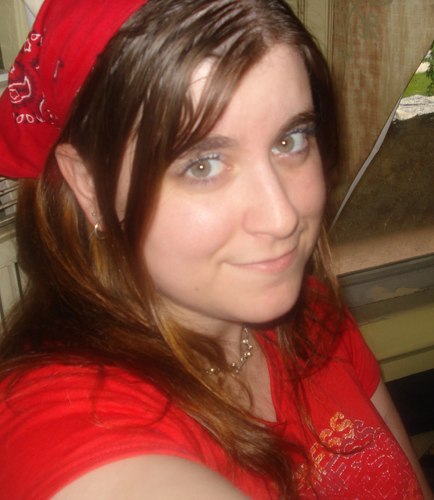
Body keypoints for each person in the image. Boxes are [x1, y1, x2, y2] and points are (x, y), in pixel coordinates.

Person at [0, 1, 431, 498]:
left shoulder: (315, 319)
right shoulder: (60, 416)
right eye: (202, 165)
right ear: (89, 185)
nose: (283, 217)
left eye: (291, 140)